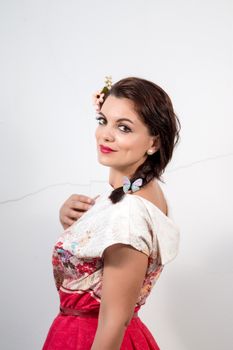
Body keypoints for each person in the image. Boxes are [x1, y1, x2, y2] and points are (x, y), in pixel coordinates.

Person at [42, 76, 181, 350]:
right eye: (103, 121)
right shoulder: (135, 191)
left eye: (124, 128)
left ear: (153, 143)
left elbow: (114, 322)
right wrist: (75, 220)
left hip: (92, 340)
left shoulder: (128, 215)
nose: (105, 134)